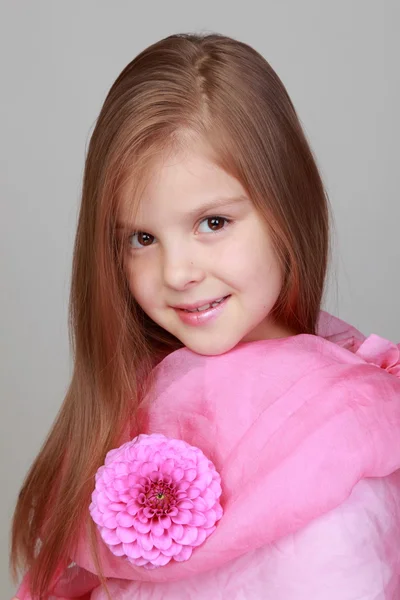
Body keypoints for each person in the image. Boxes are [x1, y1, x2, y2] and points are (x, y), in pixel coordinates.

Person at [10, 33, 400, 599]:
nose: (177, 272)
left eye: (213, 223)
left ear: (287, 206)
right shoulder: (140, 397)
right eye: (142, 238)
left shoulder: (336, 429)